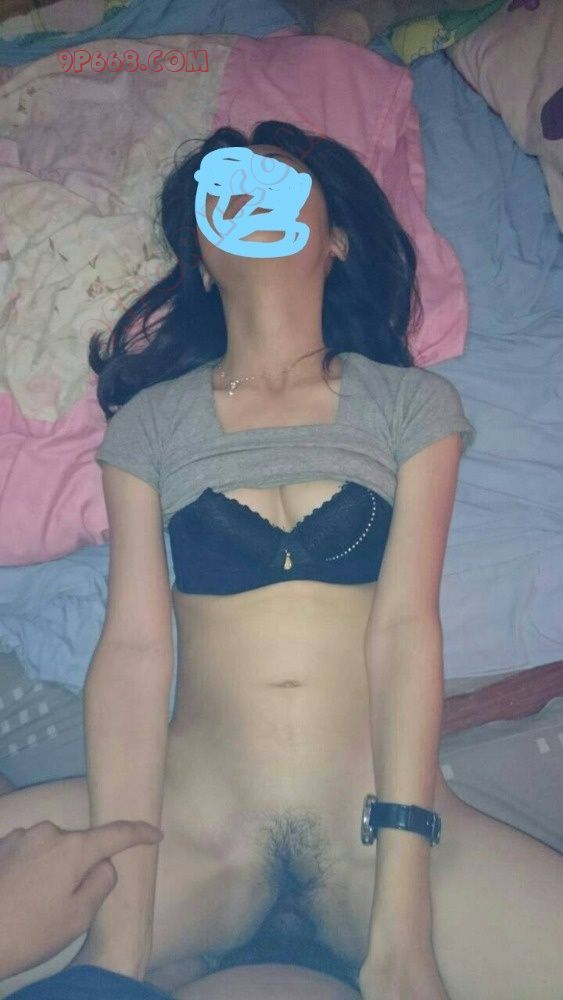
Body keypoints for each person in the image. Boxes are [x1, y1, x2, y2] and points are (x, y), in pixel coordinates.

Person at [1, 119, 562, 1000]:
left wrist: (401, 928)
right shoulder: (151, 422)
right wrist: (121, 932)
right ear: (201, 255)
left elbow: (406, 631)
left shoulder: (410, 404)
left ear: (334, 237)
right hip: (193, 829)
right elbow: (135, 651)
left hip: (378, 833)